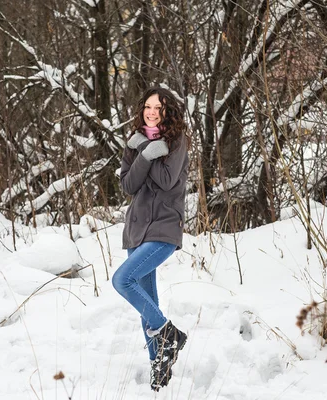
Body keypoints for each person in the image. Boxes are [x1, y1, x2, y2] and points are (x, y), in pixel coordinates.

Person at [112, 87, 189, 391]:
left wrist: (149, 152)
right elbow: (129, 184)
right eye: (147, 106)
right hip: (136, 229)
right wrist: (144, 151)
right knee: (148, 303)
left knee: (122, 281)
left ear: (168, 111)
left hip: (164, 228)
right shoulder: (135, 141)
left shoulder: (176, 141)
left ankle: (169, 333)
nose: (152, 111)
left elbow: (167, 180)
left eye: (158, 107)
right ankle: (160, 367)